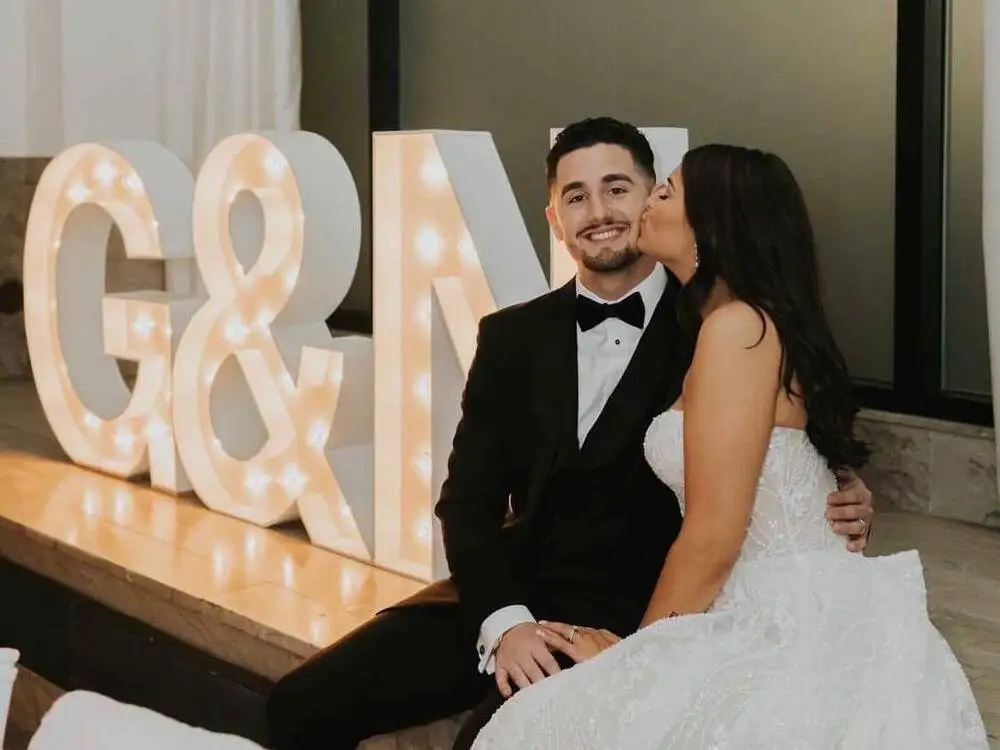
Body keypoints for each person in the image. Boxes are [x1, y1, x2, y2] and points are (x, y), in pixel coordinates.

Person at [264, 119, 875, 750]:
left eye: (619, 188)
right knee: (297, 706)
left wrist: (841, 489)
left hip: (639, 615)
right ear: (555, 219)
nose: (599, 211)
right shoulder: (510, 337)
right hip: (511, 595)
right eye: (577, 196)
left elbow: (776, 449)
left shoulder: (715, 324)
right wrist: (505, 622)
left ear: (651, 200)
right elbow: (467, 503)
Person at [470, 144, 988, 749]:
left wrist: (635, 663)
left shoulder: (738, 328)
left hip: (778, 614)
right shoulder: (737, 323)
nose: (645, 204)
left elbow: (715, 533)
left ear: (712, 221)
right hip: (755, 597)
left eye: (664, 191)